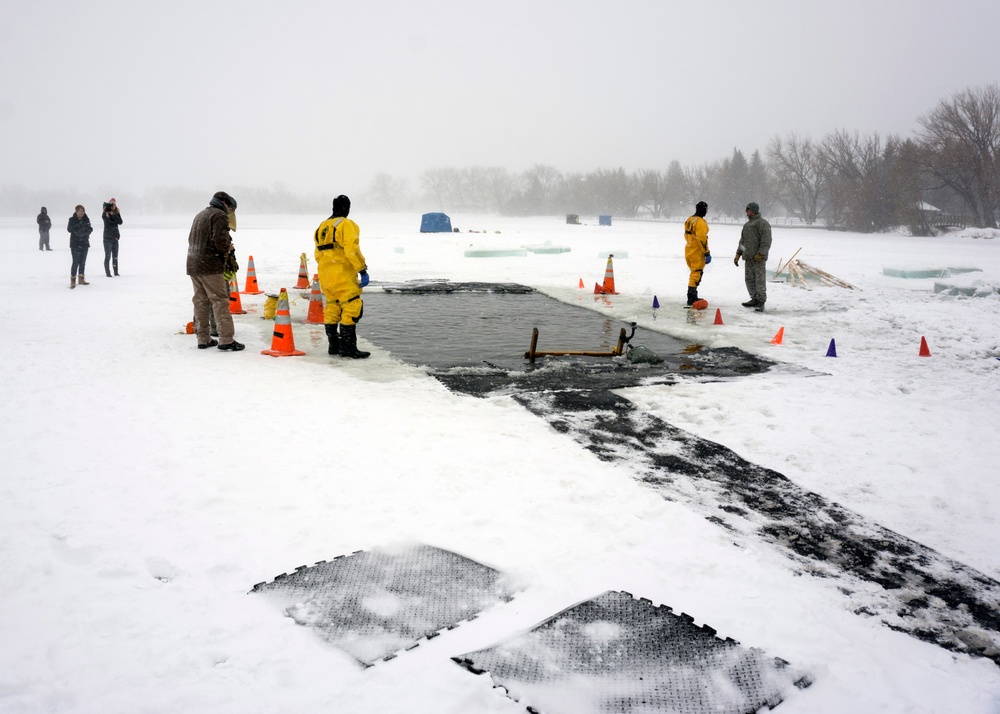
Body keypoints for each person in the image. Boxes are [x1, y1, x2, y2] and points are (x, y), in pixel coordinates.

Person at [314, 195, 371, 359]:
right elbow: (351, 250)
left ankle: (334, 345)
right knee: (352, 306)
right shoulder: (346, 225)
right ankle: (348, 347)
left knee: (332, 307)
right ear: (347, 208)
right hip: (342, 273)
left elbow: (317, 254)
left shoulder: (322, 226)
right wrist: (362, 270)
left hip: (325, 274)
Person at [186, 191, 244, 351]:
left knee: (200, 301)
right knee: (220, 301)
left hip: (193, 264)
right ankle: (226, 339)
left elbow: (191, 239)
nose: (230, 212)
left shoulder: (200, 215)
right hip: (210, 265)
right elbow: (219, 240)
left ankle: (203, 338)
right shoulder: (219, 215)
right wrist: (228, 246)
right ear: (225, 203)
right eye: (230, 208)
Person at [734, 202, 772, 312]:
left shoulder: (763, 224)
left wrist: (761, 253)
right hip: (748, 257)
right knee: (749, 279)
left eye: (748, 210)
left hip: (758, 258)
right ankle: (754, 298)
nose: (746, 212)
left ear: (754, 210)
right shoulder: (746, 226)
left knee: (759, 280)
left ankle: (761, 301)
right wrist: (738, 254)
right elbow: (743, 241)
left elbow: (766, 241)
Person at [683, 200, 711, 306]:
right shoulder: (700, 222)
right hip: (697, 251)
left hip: (689, 249)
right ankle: (691, 297)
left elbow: (687, 235)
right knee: (696, 273)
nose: (707, 212)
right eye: (706, 209)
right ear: (703, 210)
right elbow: (702, 239)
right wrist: (706, 252)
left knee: (694, 273)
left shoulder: (690, 220)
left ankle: (692, 295)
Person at [67, 205, 93, 288]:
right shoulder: (72, 220)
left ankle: (81, 278)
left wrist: (84, 233)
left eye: (83, 211)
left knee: (82, 262)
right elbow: (69, 229)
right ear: (76, 212)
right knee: (75, 261)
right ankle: (73, 279)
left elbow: (90, 229)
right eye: (80, 211)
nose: (82, 212)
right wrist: (79, 228)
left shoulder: (86, 219)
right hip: (75, 243)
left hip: (84, 243)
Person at [102, 198, 123, 277]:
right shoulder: (105, 213)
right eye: (112, 205)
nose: (113, 206)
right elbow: (108, 222)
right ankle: (108, 273)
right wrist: (108, 213)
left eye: (114, 204)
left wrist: (113, 214)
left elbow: (120, 222)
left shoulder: (116, 213)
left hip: (115, 237)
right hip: (107, 237)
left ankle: (116, 272)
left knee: (115, 256)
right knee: (108, 256)